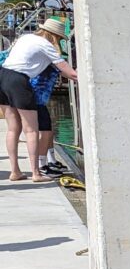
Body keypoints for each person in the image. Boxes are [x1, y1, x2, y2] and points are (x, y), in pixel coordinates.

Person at [1, 18, 76, 182]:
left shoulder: (25, 38)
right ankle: (36, 173)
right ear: (54, 36)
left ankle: (15, 171)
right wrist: (82, 78)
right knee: (31, 130)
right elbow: (68, 71)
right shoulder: (46, 45)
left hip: (3, 76)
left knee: (13, 129)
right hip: (19, 81)